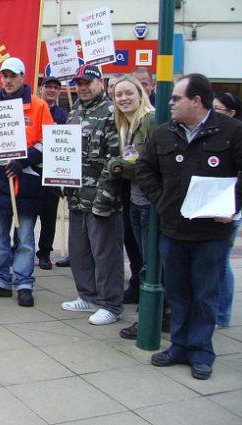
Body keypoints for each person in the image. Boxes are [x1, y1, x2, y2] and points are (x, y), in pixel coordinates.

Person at [137, 73, 242, 380]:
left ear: (196, 101)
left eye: (176, 98)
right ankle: (178, 345)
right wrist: (161, 200)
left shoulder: (231, 131)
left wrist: (233, 203)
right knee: (177, 293)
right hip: (173, 230)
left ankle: (201, 351)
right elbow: (145, 169)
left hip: (211, 233)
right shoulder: (164, 133)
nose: (170, 103)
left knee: (205, 294)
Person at [0, 57, 54, 308]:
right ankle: (0, 281)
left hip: (27, 182)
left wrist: (25, 160)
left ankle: (23, 283)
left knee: (25, 238)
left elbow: (48, 140)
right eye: (4, 76)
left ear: (22, 77)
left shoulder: (39, 106)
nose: (7, 80)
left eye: (12, 76)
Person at [61, 64, 124, 325]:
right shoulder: (74, 113)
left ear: (100, 82)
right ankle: (87, 295)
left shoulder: (111, 112)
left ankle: (111, 304)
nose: (83, 87)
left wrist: (106, 196)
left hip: (101, 197)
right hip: (77, 195)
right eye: (79, 83)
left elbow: (117, 159)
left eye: (88, 82)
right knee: (80, 249)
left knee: (105, 253)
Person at [106, 75, 156, 339]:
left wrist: (118, 166)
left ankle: (150, 319)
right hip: (136, 201)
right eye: (118, 94)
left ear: (141, 94)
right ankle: (154, 314)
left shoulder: (149, 119)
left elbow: (147, 163)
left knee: (151, 263)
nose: (123, 98)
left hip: (148, 202)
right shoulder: (127, 124)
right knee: (142, 260)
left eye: (128, 93)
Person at [212, 91, 242, 328]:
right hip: (212, 207)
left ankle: (222, 314)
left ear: (231, 113)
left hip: (229, 210)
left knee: (222, 262)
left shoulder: (238, 137)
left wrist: (233, 206)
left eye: (217, 109)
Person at [36, 76, 68, 271]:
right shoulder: (34, 108)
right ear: (41, 88)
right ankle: (21, 249)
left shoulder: (63, 115)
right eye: (48, 86)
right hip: (31, 170)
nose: (52, 90)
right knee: (25, 216)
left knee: (49, 216)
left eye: (56, 88)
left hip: (52, 170)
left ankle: (45, 253)